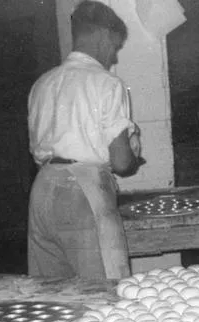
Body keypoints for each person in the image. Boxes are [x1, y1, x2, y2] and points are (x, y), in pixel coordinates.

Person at [27, 0, 141, 280]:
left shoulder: (42, 83)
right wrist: (133, 150)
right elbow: (122, 162)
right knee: (106, 294)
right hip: (82, 193)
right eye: (115, 46)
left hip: (41, 191)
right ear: (103, 36)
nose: (113, 57)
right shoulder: (108, 83)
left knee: (52, 297)